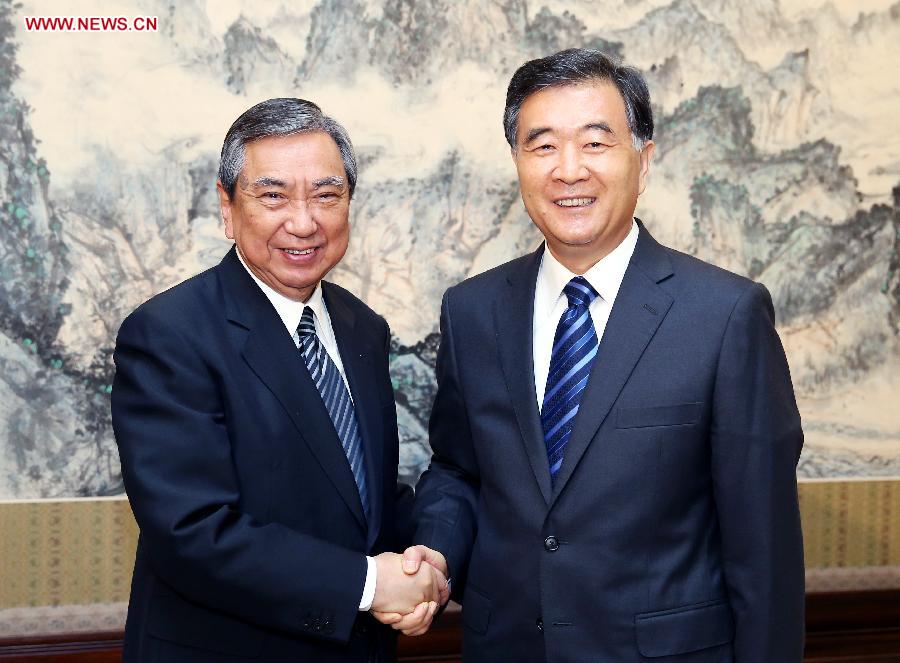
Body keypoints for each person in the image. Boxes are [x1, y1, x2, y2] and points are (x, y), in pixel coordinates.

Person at [402, 49, 805, 661]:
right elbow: (460, 469)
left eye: (595, 143)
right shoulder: (472, 310)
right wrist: (436, 549)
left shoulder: (726, 316)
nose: (569, 170)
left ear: (642, 161)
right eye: (542, 146)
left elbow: (763, 549)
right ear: (517, 162)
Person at [111, 98, 447, 663]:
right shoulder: (168, 333)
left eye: (325, 194)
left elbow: (363, 496)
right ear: (227, 206)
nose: (303, 221)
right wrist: (368, 585)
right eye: (272, 196)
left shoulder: (363, 328)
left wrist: (427, 560)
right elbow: (193, 530)